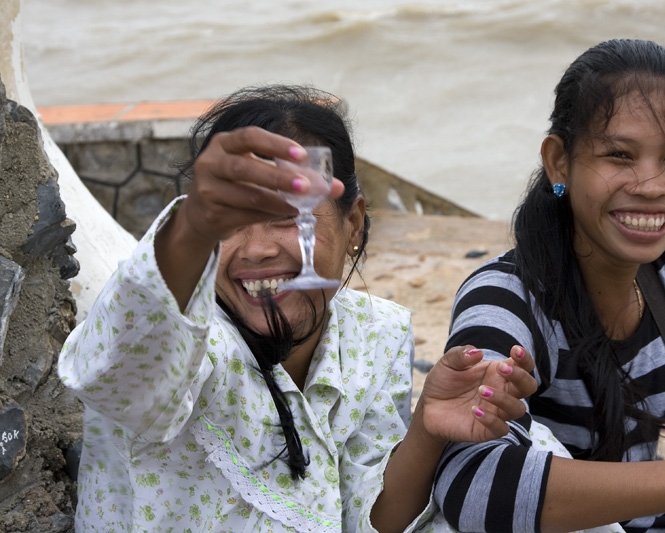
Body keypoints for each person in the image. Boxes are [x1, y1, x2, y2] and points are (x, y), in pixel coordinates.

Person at [57, 84, 537, 533]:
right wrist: (192, 227)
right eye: (230, 219)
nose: (257, 248)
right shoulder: (180, 335)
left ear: (353, 224)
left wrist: (428, 429)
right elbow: (120, 373)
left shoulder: (377, 333)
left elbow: (365, 518)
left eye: (288, 216)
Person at [432, 39, 665, 533]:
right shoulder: (504, 299)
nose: (650, 184)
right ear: (559, 162)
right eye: (619, 154)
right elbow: (472, 487)